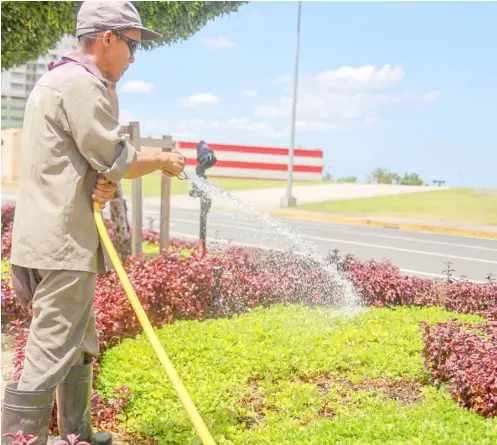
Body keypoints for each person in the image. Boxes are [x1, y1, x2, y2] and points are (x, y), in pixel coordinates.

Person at [1, 2, 187, 444]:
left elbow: (74, 162)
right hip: (63, 242)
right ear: (107, 38)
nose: (133, 57)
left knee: (79, 340)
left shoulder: (54, 80)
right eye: (132, 45)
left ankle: (77, 433)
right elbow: (114, 155)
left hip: (45, 236)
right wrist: (163, 159)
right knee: (50, 349)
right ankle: (18, 439)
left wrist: (102, 184)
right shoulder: (81, 85)